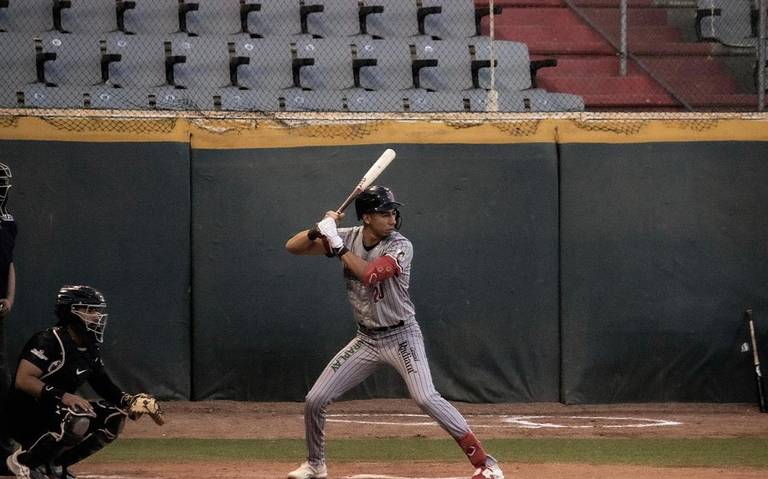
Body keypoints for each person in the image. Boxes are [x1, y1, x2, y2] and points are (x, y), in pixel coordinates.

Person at [284, 185, 504, 479]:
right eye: (384, 213)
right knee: (315, 399)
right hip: (366, 339)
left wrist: (336, 244)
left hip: (401, 337)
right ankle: (315, 464)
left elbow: (371, 274)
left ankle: (486, 465)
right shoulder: (347, 237)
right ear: (366, 217)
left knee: (425, 397)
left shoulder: (400, 245)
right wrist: (318, 230)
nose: (392, 219)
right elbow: (292, 247)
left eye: (393, 213)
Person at [3, 285, 163, 479]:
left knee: (113, 416)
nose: (96, 316)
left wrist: (129, 401)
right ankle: (24, 461)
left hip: (54, 412)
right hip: (22, 414)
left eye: (97, 310)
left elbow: (103, 384)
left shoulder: (89, 347)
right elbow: (23, 380)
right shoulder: (48, 340)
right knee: (78, 416)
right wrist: (64, 396)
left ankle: (56, 465)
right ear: (70, 312)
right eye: (89, 310)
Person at [0, 162, 17, 476]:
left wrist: (10, 298)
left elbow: (9, 263)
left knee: (1, 380)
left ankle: (2, 449)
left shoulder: (8, 221)